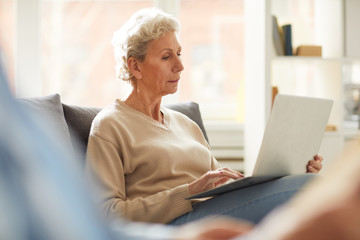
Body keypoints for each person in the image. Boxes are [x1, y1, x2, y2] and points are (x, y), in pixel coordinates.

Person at [84, 7, 323, 226]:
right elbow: (105, 213)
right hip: (174, 224)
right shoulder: (110, 126)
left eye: (179, 53)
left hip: (212, 212)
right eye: (167, 57)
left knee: (308, 186)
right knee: (309, 190)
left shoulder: (185, 124)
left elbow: (225, 187)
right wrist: (188, 192)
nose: (180, 66)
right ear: (135, 67)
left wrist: (289, 174)